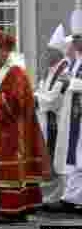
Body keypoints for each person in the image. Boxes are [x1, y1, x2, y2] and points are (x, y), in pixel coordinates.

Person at [0, 27, 49, 223]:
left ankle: (12, 210)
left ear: (4, 51)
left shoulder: (16, 72)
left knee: (10, 170)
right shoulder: (6, 71)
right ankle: (8, 209)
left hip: (12, 133)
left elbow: (14, 100)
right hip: (5, 129)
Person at [36, 23, 71, 209]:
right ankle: (49, 197)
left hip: (55, 121)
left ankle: (56, 197)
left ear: (57, 53)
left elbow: (52, 100)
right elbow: (43, 91)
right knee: (48, 159)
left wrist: (35, 97)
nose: (46, 54)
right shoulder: (50, 70)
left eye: (49, 51)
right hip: (46, 120)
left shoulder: (63, 71)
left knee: (54, 159)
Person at [54, 10, 82, 213]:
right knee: (76, 158)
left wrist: (69, 82)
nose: (74, 42)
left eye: (78, 39)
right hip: (76, 116)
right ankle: (71, 198)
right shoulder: (77, 61)